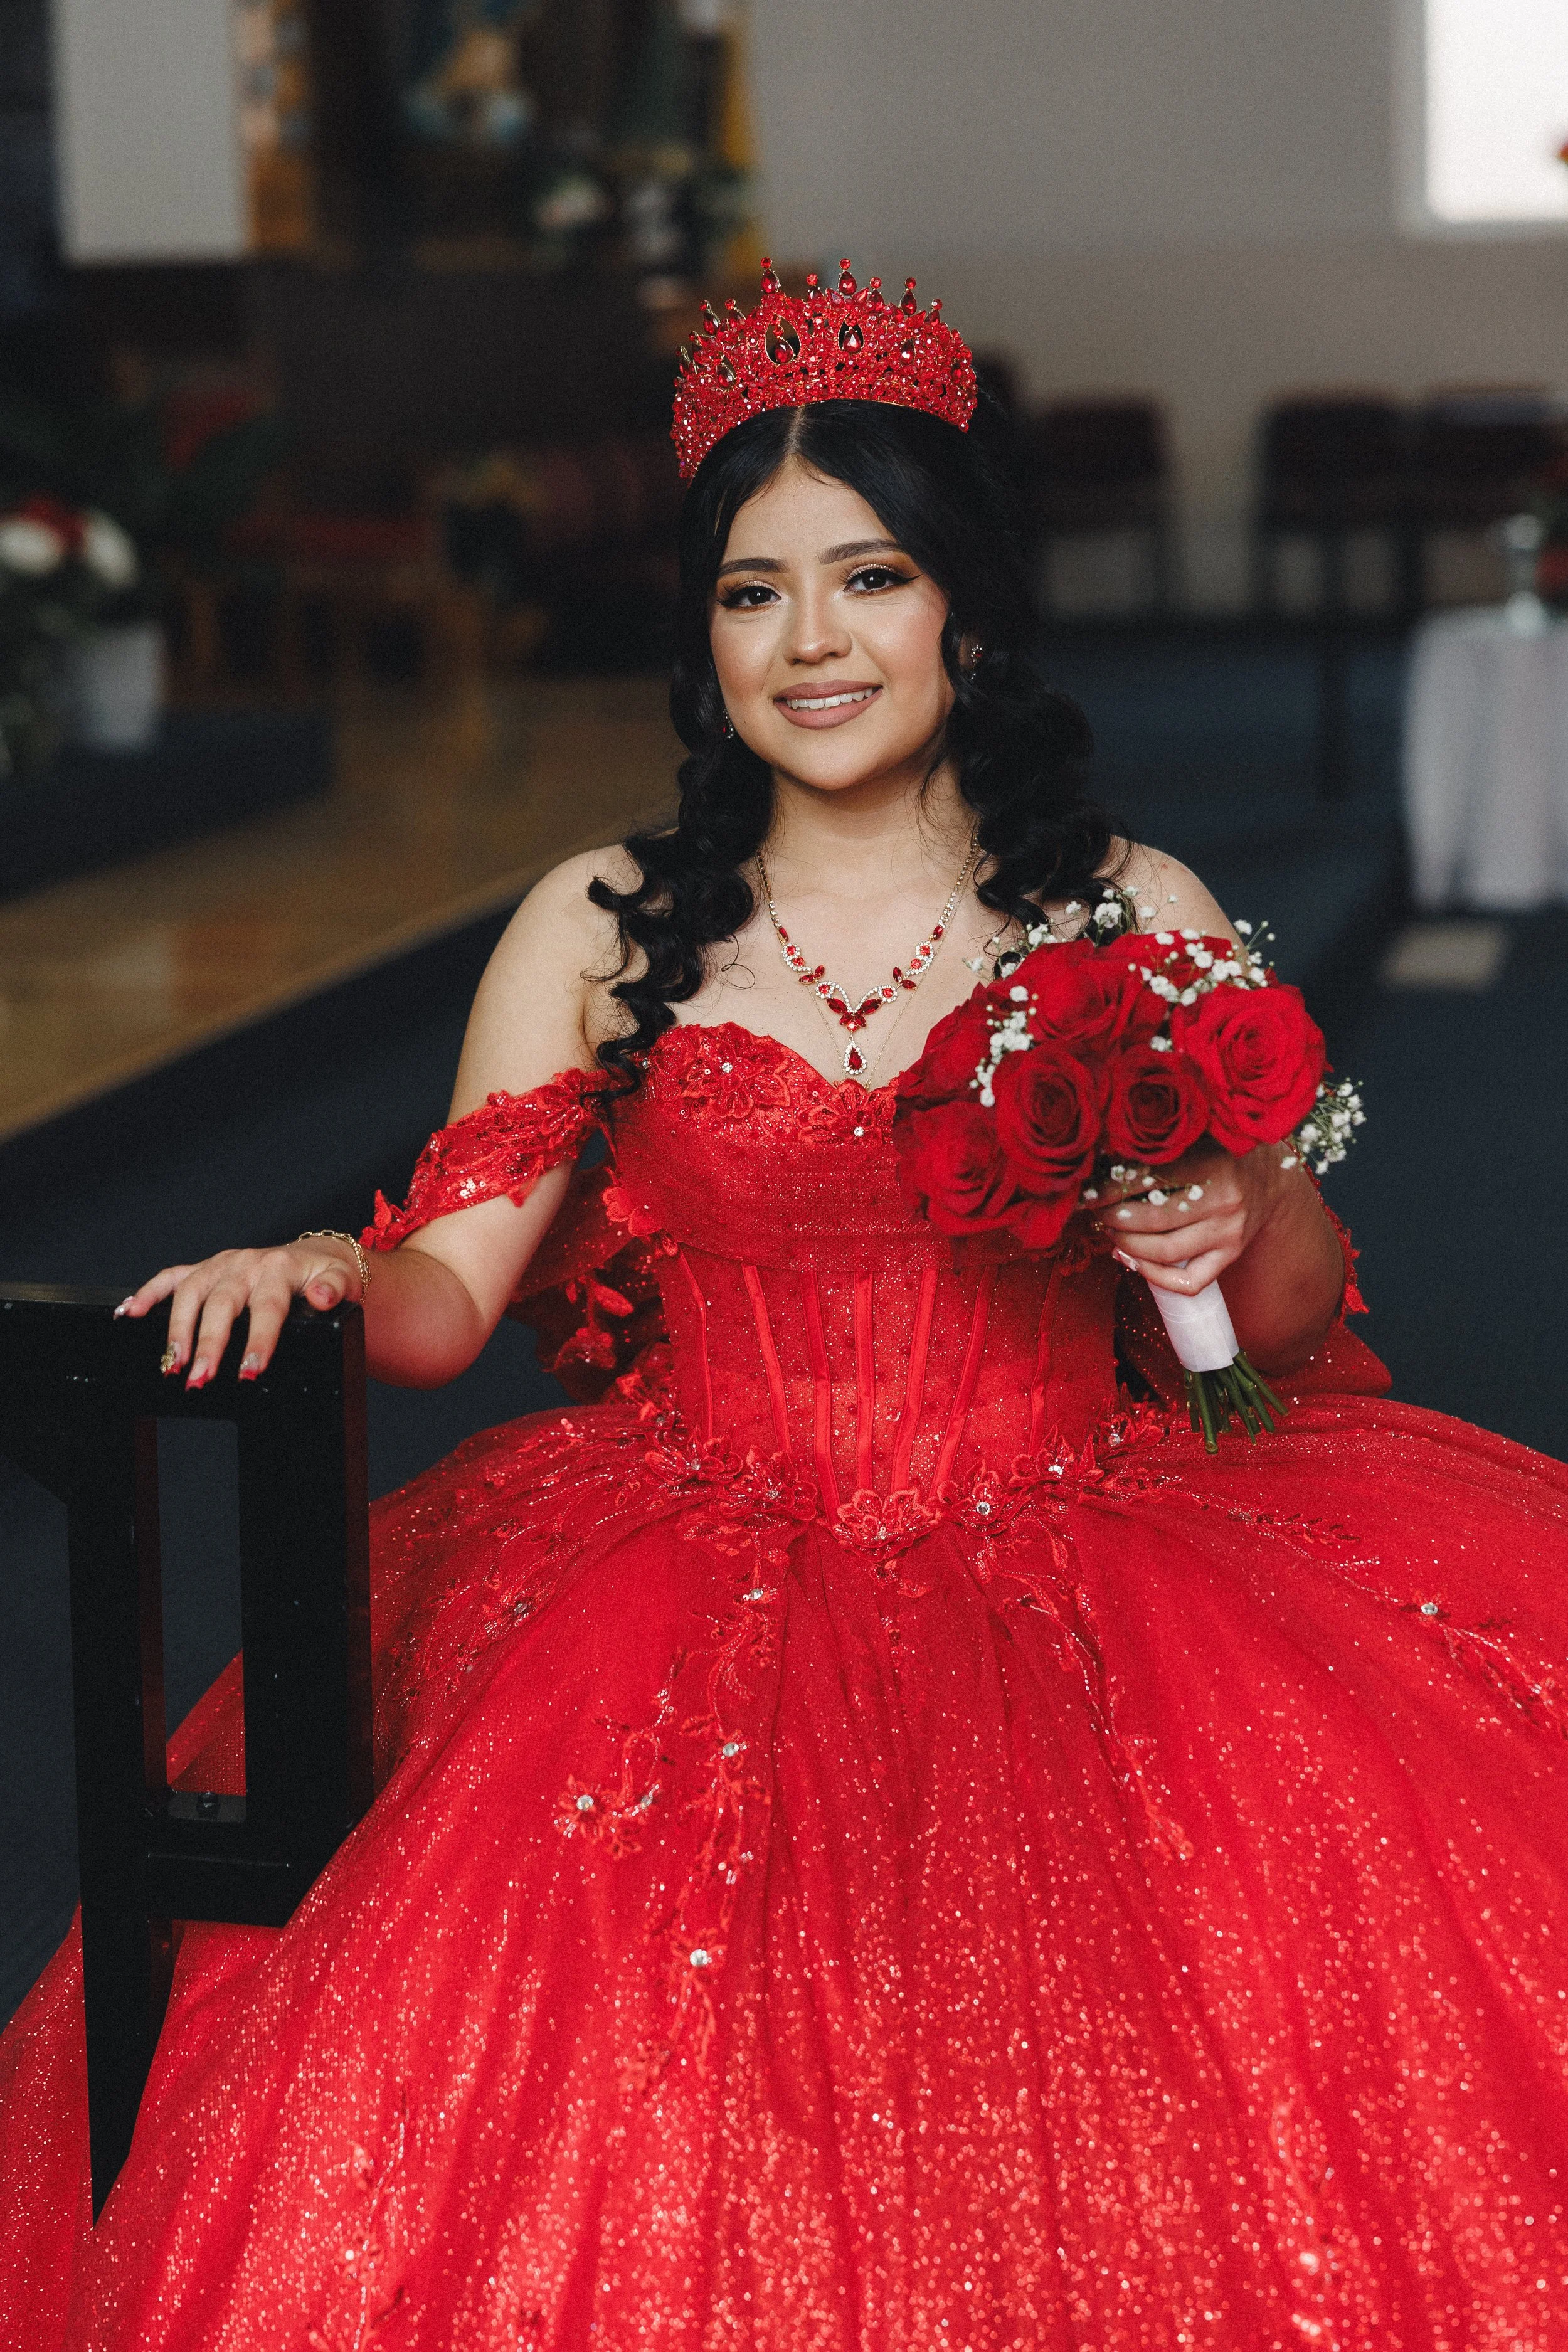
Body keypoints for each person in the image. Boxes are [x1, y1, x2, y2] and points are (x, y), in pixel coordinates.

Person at [4, 260, 1567, 2351]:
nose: (812, 641)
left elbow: (1286, 1318)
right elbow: (446, 1293)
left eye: (869, 578)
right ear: (703, 631)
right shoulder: (597, 919)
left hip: (1096, 1557)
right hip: (685, 1575)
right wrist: (316, 1264)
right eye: (753, 593)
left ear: (966, 608)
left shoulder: (1127, 905)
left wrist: (1218, 1203)